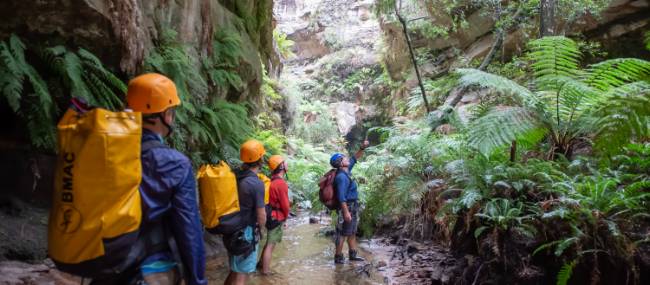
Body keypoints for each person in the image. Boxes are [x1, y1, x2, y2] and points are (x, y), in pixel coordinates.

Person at [124, 73, 207, 285]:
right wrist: (197, 280)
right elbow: (189, 229)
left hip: (101, 267)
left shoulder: (105, 152)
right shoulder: (174, 164)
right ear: (167, 115)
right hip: (150, 271)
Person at [224, 140, 267, 285]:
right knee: (242, 274)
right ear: (260, 159)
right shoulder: (256, 183)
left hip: (231, 229)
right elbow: (261, 215)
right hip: (246, 233)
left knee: (235, 269)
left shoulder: (235, 176)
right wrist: (261, 230)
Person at [331, 140, 370, 264]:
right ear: (340, 163)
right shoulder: (341, 177)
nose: (347, 158)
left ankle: (352, 254)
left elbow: (355, 157)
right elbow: (341, 196)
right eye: (343, 158)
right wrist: (346, 212)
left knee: (352, 231)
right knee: (342, 233)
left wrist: (362, 147)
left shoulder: (346, 170)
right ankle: (338, 257)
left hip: (353, 206)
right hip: (346, 207)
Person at [258, 155, 291, 274]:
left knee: (268, 242)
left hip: (269, 215)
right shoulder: (281, 183)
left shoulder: (272, 180)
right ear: (281, 166)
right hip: (276, 216)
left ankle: (261, 264)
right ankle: (266, 272)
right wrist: (286, 217)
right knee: (271, 245)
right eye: (285, 162)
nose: (287, 164)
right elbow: (285, 205)